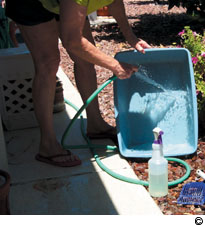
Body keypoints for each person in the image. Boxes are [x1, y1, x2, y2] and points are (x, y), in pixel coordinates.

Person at [5, 0, 151, 167]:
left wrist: (131, 37)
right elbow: (73, 41)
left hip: (63, 3)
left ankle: (96, 125)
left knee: (85, 60)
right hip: (33, 4)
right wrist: (115, 65)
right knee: (48, 63)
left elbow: (114, 1)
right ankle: (48, 144)